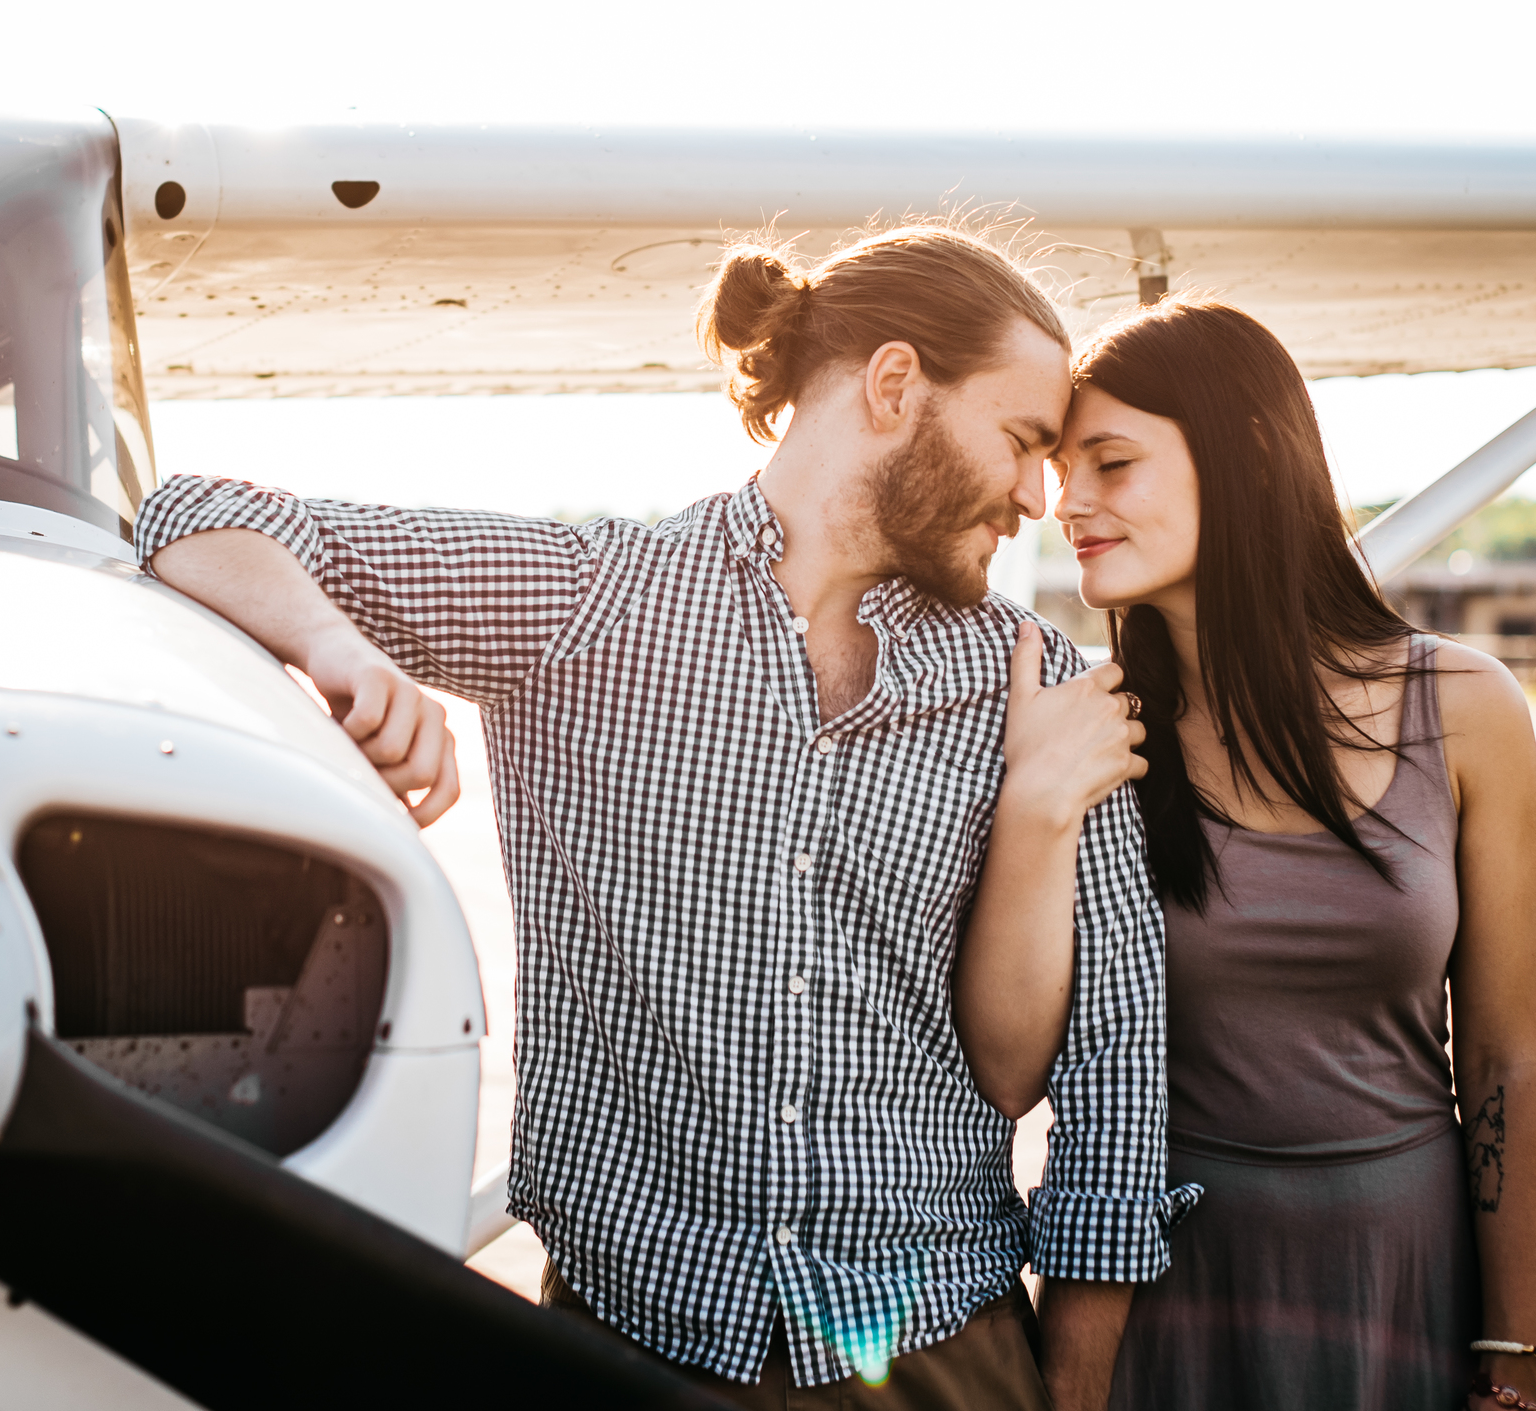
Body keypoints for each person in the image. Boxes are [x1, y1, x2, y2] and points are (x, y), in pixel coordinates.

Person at [134, 224, 1192, 1411]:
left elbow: (1115, 1076)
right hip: (631, 1340)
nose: (1038, 496)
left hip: (943, 1354)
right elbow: (191, 513)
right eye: (1020, 441)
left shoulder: (1034, 678)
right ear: (894, 386)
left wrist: (1076, 1389)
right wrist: (338, 643)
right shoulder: (595, 599)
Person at [961, 297, 1536, 1411]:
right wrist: (1037, 804)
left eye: (1110, 462)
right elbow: (1014, 1067)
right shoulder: (1092, 732)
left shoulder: (1465, 708)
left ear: (1243, 455)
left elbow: (1506, 1067)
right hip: (1166, 1292)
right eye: (1057, 462)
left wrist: (1515, 1357)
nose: (1064, 501)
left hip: (1402, 1279)